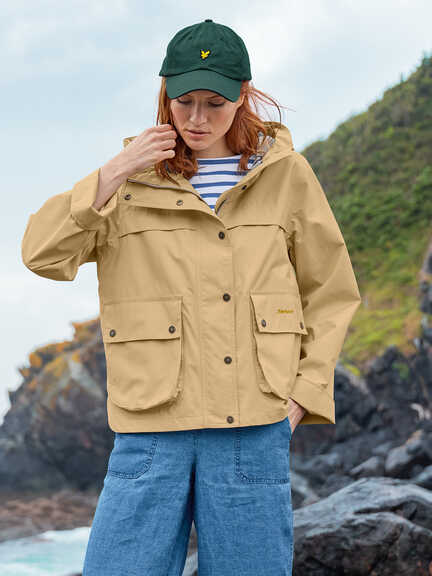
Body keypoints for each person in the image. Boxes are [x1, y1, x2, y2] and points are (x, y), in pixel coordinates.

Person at [21, 18, 362, 576]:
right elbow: (41, 254)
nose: (197, 119)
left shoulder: (286, 175)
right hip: (151, 429)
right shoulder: (128, 183)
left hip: (254, 425)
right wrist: (115, 170)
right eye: (184, 102)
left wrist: (302, 397)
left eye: (215, 104)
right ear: (165, 93)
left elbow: (331, 291)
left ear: (242, 96)